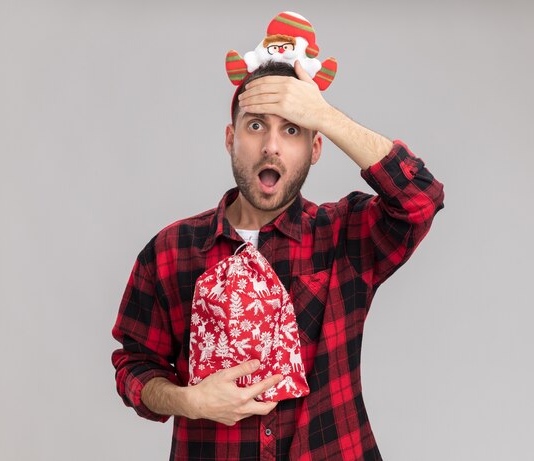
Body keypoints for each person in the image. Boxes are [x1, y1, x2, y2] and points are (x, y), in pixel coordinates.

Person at [112, 58, 444, 460]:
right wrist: (190, 402)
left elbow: (421, 199)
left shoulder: (344, 235)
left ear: (315, 147)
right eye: (256, 126)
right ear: (230, 138)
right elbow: (135, 366)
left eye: (291, 129)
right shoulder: (170, 251)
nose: (271, 145)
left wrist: (323, 114)